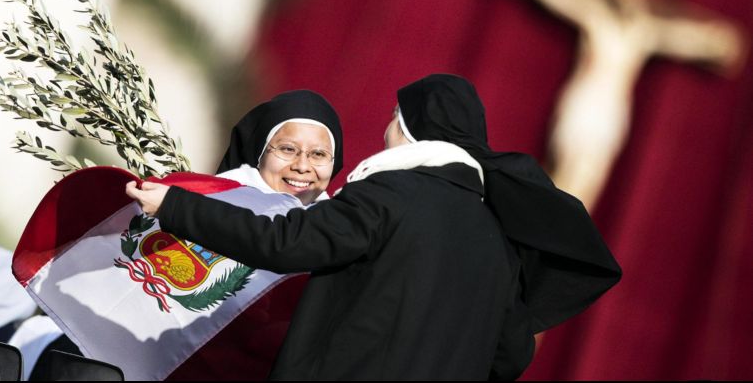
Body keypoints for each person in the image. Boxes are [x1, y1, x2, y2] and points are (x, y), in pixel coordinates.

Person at [127, 74, 621, 380]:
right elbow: (511, 356)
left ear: (407, 129)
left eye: (392, 118)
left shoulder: (391, 196)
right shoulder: (500, 244)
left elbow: (287, 242)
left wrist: (175, 205)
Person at [167, 89, 344, 380]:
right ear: (260, 149)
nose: (302, 165)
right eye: (287, 149)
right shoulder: (195, 204)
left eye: (318, 154)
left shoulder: (339, 238)